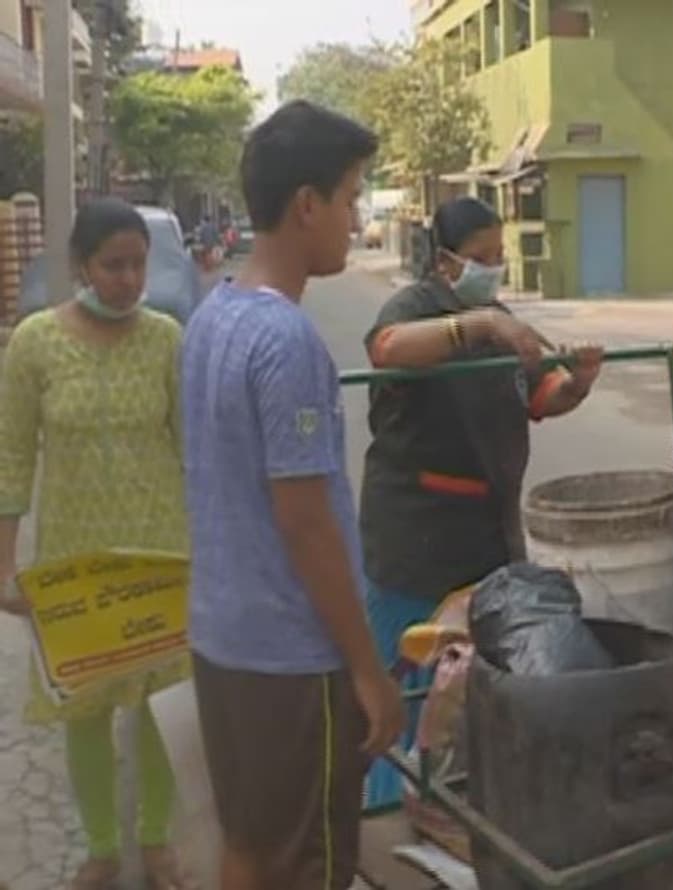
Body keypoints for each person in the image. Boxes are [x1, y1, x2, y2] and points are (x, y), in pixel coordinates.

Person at [181, 100, 405, 889]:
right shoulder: (285, 341)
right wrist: (367, 671)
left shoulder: (212, 318)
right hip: (289, 660)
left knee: (249, 846)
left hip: (222, 643)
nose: (354, 219)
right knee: (307, 864)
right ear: (306, 205)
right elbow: (305, 520)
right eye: (350, 199)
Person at [359, 196, 603, 809]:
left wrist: (578, 381)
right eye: (481, 258)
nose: (493, 269)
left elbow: (541, 395)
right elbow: (385, 349)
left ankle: (456, 816)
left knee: (466, 690)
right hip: (416, 540)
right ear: (444, 263)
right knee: (410, 684)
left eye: (499, 257)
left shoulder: (499, 315)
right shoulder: (416, 308)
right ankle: (388, 818)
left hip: (488, 538)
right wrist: (484, 326)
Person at [0, 198, 192, 890]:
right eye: (113, 265)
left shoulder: (167, 337)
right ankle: (104, 846)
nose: (128, 279)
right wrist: (5, 565)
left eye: (139, 264)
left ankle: (157, 839)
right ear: (82, 265)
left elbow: (190, 447)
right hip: (72, 555)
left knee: (158, 699)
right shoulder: (35, 343)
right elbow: (12, 457)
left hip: (160, 549)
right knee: (85, 705)